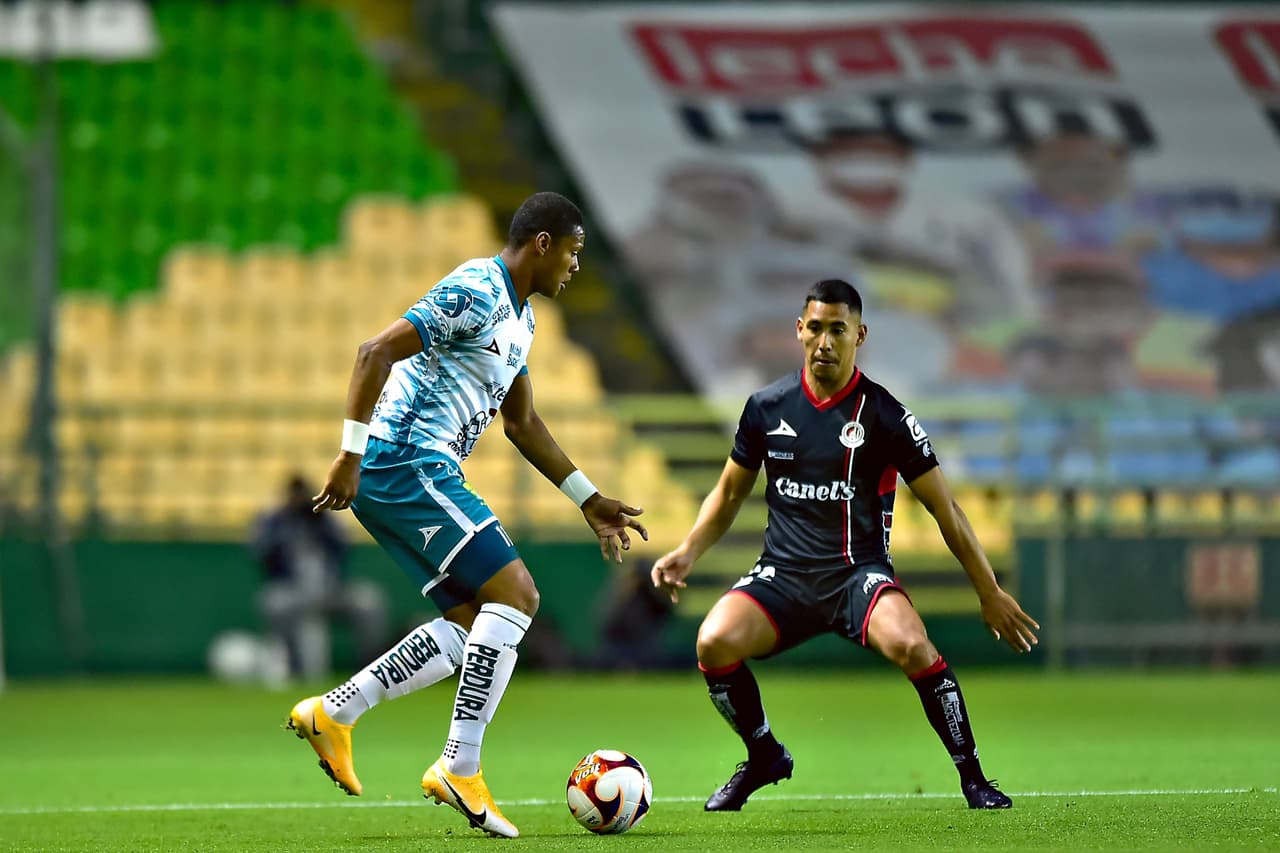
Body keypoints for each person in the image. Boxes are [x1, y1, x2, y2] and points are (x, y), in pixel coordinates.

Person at [286, 192, 648, 839]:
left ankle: (334, 712)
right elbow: (374, 351)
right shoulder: (476, 289)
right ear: (542, 242)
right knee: (517, 593)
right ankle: (460, 764)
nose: (575, 265)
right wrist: (350, 453)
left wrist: (589, 498)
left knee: (474, 622)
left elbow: (522, 422)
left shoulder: (523, 322)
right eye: (573, 250)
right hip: (403, 459)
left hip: (416, 469)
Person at [651, 278, 1040, 812]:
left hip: (858, 576)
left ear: (861, 335)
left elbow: (945, 510)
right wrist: (689, 550)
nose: (825, 342)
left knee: (914, 647)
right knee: (712, 642)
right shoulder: (766, 408)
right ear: (799, 331)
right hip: (783, 577)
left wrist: (988, 591)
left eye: (838, 330)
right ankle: (764, 754)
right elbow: (727, 493)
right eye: (815, 328)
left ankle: (973, 778)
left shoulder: (886, 415)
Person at [252, 472, 388, 679]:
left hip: (332, 591)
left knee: (368, 602)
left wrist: (320, 521)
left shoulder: (323, 519)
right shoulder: (276, 520)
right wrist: (282, 528)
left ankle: (367, 669)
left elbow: (344, 546)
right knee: (274, 603)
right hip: (293, 590)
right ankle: (291, 666)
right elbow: (259, 551)